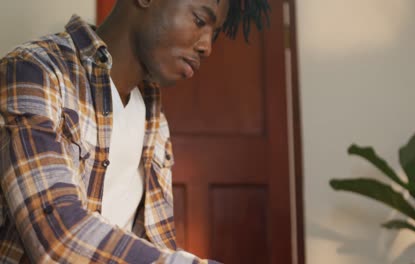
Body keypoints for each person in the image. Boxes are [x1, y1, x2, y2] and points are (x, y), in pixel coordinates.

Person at [0, 0, 270, 263]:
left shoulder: (154, 117)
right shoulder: (34, 71)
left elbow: (156, 244)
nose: (207, 47)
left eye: (215, 33)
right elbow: (58, 235)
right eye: (199, 20)